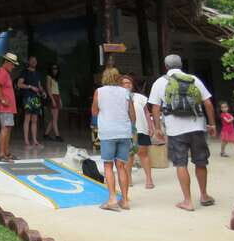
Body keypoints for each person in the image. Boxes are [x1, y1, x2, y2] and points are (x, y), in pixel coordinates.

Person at [149, 54, 217, 212]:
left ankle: (187, 201)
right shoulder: (193, 79)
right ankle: (204, 195)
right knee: (200, 162)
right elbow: (207, 103)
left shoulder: (160, 82)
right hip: (197, 126)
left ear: (165, 66)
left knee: (180, 163)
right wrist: (212, 124)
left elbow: (155, 108)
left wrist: (158, 128)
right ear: (181, 65)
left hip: (175, 129)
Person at [92, 66, 135, 211]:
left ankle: (112, 200)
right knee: (121, 166)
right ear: (117, 78)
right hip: (124, 131)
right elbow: (132, 113)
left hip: (108, 133)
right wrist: (132, 128)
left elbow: (94, 111)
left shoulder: (99, 92)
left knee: (108, 166)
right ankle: (125, 200)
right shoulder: (125, 92)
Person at [123, 75, 155, 189]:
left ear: (132, 85)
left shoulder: (140, 97)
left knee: (143, 154)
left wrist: (151, 126)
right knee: (129, 155)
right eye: (124, 83)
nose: (127, 85)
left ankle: (149, 179)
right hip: (127, 131)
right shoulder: (119, 98)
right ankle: (129, 178)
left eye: (129, 83)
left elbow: (147, 113)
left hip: (141, 128)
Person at [0, 52, 19, 161]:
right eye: (12, 64)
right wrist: (2, 99)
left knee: (8, 128)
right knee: (5, 128)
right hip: (5, 107)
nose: (13, 67)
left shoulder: (5, 73)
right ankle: (2, 154)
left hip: (9, 108)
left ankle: (6, 153)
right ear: (7, 62)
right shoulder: (2, 72)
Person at [17, 55, 43, 147]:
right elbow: (19, 84)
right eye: (32, 60)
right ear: (29, 62)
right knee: (27, 119)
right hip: (27, 97)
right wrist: (30, 87)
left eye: (35, 60)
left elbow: (39, 86)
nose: (34, 62)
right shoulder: (25, 72)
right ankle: (26, 140)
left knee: (35, 120)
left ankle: (35, 140)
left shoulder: (38, 73)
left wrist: (43, 92)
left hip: (36, 98)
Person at [43, 64, 63, 142]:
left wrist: (60, 99)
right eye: (53, 68)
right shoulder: (49, 77)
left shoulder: (55, 79)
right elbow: (48, 89)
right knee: (55, 118)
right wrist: (52, 100)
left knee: (53, 119)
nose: (55, 70)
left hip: (57, 96)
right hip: (53, 97)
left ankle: (46, 134)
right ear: (50, 70)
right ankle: (57, 135)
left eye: (56, 68)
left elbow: (57, 90)